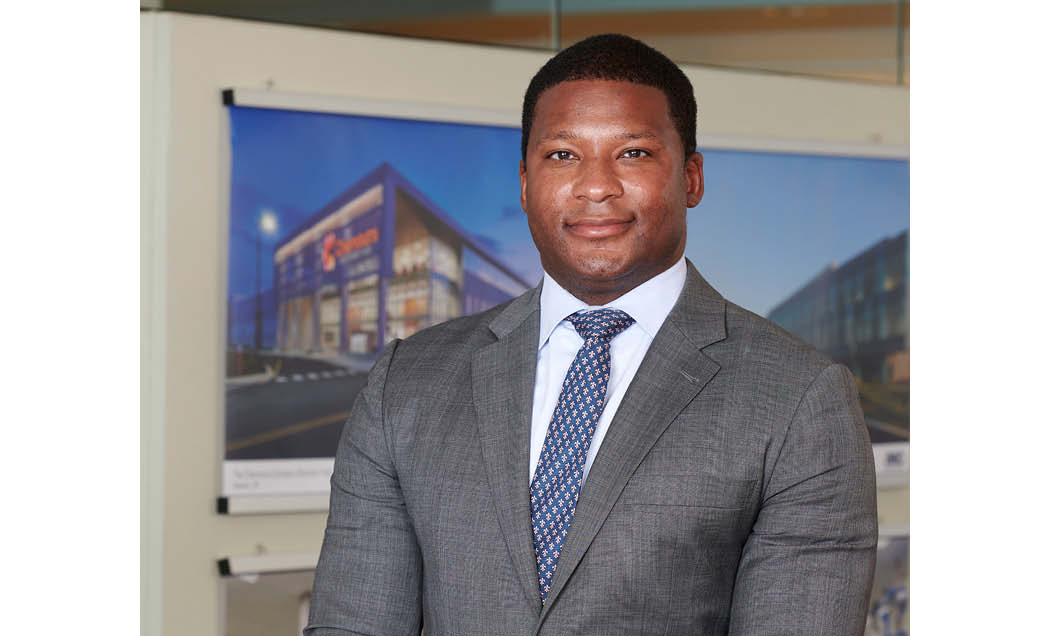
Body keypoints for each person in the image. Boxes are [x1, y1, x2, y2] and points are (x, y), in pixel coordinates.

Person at [306, 33, 877, 636]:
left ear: (691, 178)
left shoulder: (798, 398)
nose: (595, 186)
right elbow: (354, 622)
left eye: (633, 153)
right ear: (525, 183)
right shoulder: (408, 382)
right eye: (562, 155)